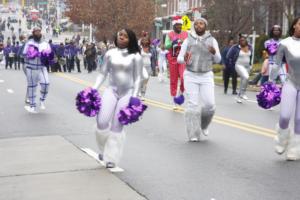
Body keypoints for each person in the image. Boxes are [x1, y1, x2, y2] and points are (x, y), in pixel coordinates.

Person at [92, 29, 142, 168]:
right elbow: (102, 74)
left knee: (116, 126)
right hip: (111, 90)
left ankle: (111, 158)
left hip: (127, 93)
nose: (122, 37)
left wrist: (135, 97)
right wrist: (93, 89)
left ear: (130, 40)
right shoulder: (110, 53)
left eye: (125, 36)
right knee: (101, 121)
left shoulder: (135, 56)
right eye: (120, 35)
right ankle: (104, 149)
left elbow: (138, 78)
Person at [177, 17, 221, 141]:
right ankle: (193, 133)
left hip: (206, 75)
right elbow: (179, 59)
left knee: (210, 105)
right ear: (194, 26)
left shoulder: (212, 40)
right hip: (190, 75)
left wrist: (214, 53)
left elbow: (218, 59)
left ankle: (204, 124)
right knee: (193, 105)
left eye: (201, 23)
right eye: (196, 24)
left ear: (205, 26)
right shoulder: (188, 40)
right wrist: (184, 58)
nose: (199, 25)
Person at [272, 17, 300, 160]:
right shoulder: (285, 43)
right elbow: (276, 64)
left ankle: (295, 149)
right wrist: (270, 82)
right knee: (284, 116)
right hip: (291, 82)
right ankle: (282, 139)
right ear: (295, 25)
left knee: (299, 119)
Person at [23, 27, 52, 113]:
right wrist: (31, 54)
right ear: (33, 33)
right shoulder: (29, 43)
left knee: (46, 83)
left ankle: (42, 100)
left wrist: (47, 56)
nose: (38, 33)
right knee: (32, 87)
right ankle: (32, 106)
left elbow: (50, 54)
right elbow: (24, 54)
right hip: (31, 67)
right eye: (36, 32)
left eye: (39, 31)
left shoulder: (45, 43)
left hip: (42, 67)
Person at [165, 16, 188, 109]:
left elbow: (190, 44)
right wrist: (173, 41)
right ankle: (174, 99)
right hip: (173, 59)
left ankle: (180, 94)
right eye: (178, 25)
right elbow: (166, 46)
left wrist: (184, 42)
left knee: (183, 78)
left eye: (180, 25)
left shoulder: (186, 34)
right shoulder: (169, 34)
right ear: (174, 26)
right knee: (173, 80)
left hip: (182, 59)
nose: (179, 27)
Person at [226, 35, 253, 103]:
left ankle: (238, 97)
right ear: (239, 41)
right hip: (239, 65)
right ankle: (243, 93)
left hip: (247, 66)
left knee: (243, 81)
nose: (242, 41)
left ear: (246, 40)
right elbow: (228, 56)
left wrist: (251, 65)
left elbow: (251, 56)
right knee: (246, 77)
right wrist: (232, 64)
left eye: (243, 40)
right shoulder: (235, 47)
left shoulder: (250, 47)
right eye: (241, 40)